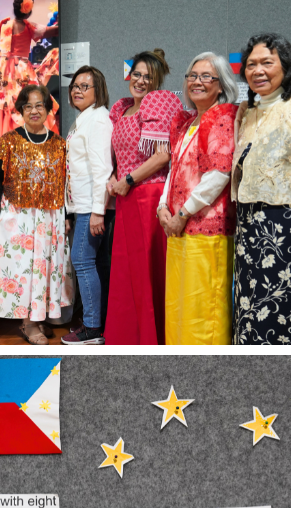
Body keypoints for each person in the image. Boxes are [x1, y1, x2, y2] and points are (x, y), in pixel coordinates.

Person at [0, 84, 72, 344]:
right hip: (17, 216)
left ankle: (38, 317)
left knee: (44, 268)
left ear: (48, 109)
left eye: (39, 105)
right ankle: (28, 324)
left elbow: (65, 184)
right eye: (27, 106)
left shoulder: (60, 144)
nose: (34, 111)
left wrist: (68, 216)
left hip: (49, 217)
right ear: (20, 111)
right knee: (23, 270)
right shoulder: (8, 140)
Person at [156, 52, 239, 345]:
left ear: (221, 85)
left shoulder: (223, 118)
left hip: (207, 231)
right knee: (180, 309)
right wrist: (163, 208)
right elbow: (174, 168)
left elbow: (219, 175)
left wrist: (181, 214)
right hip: (178, 229)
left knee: (204, 313)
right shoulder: (188, 121)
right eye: (193, 76)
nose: (197, 82)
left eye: (206, 77)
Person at [104, 49, 183, 345]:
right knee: (126, 271)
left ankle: (152, 339)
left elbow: (163, 155)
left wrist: (127, 180)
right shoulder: (121, 108)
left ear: (157, 80)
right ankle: (128, 337)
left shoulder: (159, 102)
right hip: (125, 195)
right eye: (136, 74)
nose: (140, 81)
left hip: (147, 194)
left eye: (147, 77)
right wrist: (114, 177)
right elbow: (115, 155)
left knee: (147, 271)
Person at [231, 33, 291, 344]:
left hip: (288, 226)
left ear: (285, 67)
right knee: (249, 305)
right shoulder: (246, 112)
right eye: (251, 65)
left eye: (267, 63)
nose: (257, 71)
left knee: (286, 306)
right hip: (248, 226)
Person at [62, 66, 114, 345]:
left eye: (85, 86)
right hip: (80, 206)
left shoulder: (98, 120)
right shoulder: (83, 119)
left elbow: (102, 169)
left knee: (82, 261)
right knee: (85, 262)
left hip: (90, 208)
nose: (77, 90)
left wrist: (97, 211)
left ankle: (93, 328)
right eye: (75, 86)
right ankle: (92, 323)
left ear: (98, 90)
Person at [0, 0, 58, 138]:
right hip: (21, 69)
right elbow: (52, 31)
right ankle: (26, 135)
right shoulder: (30, 27)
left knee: (5, 103)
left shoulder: (3, 25)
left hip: (3, 70)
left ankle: (6, 135)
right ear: (28, 11)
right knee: (25, 100)